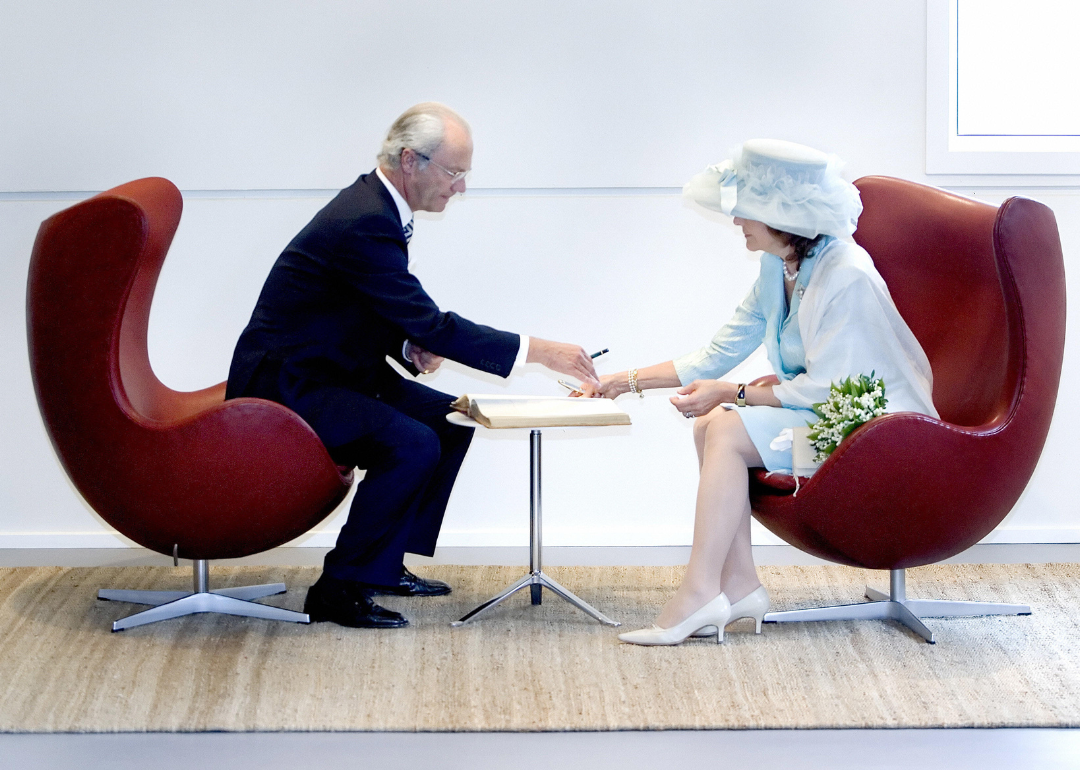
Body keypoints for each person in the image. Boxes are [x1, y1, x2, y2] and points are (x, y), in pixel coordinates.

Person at [226, 102, 599, 629]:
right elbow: (433, 322)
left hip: (331, 367)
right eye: (454, 172)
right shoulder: (364, 221)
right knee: (411, 441)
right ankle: (339, 589)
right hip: (288, 384)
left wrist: (407, 348)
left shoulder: (381, 210)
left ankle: (382, 562)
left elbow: (370, 306)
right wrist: (540, 350)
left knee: (449, 419)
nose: (460, 187)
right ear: (410, 160)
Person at [581, 139, 938, 646]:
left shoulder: (847, 274)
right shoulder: (779, 267)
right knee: (712, 424)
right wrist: (620, 382)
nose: (735, 222)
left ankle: (700, 592)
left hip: (876, 439)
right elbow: (717, 353)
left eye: (745, 210)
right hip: (825, 421)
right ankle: (739, 584)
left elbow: (825, 389)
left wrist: (739, 392)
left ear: (781, 215)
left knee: (725, 423)